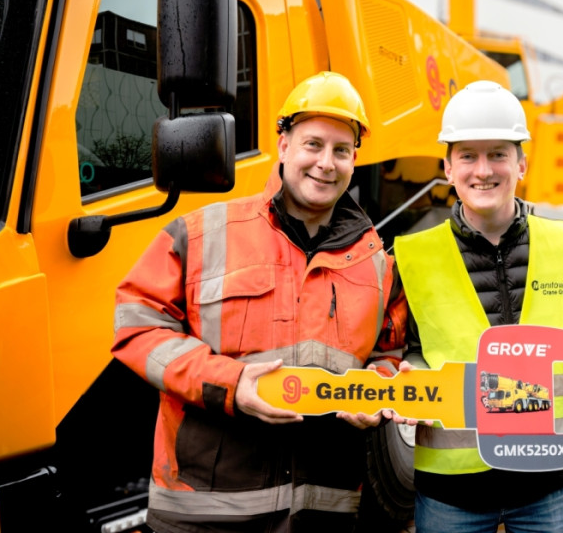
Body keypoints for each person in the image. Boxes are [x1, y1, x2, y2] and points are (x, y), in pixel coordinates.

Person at [112, 72, 408, 533]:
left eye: (340, 150)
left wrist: (375, 387)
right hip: (207, 511)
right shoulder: (204, 233)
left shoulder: (377, 263)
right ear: (284, 146)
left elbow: (389, 352)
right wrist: (232, 384)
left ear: (354, 161)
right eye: (313, 145)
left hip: (323, 511)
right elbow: (137, 324)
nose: (326, 163)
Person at [390, 80, 563, 532]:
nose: (483, 170)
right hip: (453, 490)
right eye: (468, 156)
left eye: (498, 154)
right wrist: (411, 380)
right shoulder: (413, 255)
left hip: (548, 481)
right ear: (448, 168)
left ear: (521, 164)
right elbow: (408, 349)